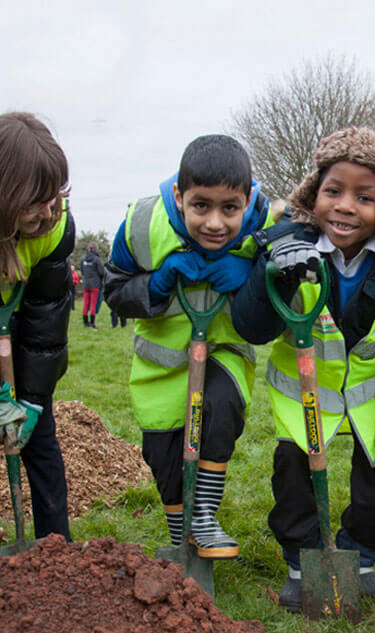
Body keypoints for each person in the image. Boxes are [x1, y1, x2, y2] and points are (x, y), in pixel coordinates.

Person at [233, 128, 375, 611]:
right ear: (312, 192)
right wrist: (275, 277)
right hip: (304, 393)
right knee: (293, 475)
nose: (346, 206)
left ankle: (360, 556)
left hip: (372, 394)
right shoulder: (283, 246)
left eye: (364, 197)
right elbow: (251, 326)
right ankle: (302, 561)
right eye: (333, 191)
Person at [104, 135, 281, 561]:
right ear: (181, 197)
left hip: (223, 353)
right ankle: (181, 531)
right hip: (160, 367)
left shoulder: (265, 228)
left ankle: (203, 515)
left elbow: (276, 308)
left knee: (218, 411)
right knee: (163, 454)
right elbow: (114, 291)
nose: (216, 224)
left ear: (247, 199)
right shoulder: (143, 224)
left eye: (229, 209)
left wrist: (252, 276)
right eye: (201, 206)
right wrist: (157, 283)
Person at [0, 112, 75, 555]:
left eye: (53, 196)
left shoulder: (55, 229)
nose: (49, 211)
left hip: (20, 337)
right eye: (35, 201)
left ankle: (58, 553)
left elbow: (46, 320)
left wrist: (32, 398)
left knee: (42, 440)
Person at [80, 242, 106, 329]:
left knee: (86, 303)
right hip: (95, 284)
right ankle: (92, 323)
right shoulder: (96, 260)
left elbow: (82, 271)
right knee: (93, 304)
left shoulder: (83, 260)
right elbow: (101, 272)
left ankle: (85, 322)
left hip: (86, 284)